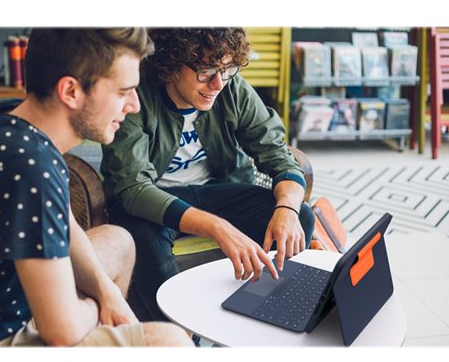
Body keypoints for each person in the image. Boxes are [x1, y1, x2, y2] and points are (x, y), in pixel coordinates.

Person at [0, 28, 192, 347]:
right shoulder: (28, 166)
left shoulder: (10, 120)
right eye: (123, 92)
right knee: (169, 341)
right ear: (71, 91)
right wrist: (96, 306)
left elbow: (66, 225)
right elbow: (62, 331)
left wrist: (108, 293)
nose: (134, 105)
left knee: (118, 241)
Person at [101, 28, 315, 321]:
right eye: (206, 71)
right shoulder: (136, 96)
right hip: (152, 201)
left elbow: (279, 157)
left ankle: (261, 310)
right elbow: (134, 188)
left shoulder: (232, 89)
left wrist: (287, 209)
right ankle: (178, 331)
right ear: (172, 64)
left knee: (302, 217)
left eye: (227, 70)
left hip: (217, 189)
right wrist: (217, 227)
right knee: (146, 240)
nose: (217, 84)